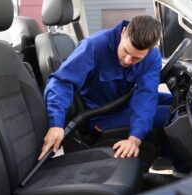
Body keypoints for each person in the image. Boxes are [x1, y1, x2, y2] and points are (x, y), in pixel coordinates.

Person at [38, 15, 170, 161]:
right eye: (126, 51)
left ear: (150, 50)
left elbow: (146, 96)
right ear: (123, 32)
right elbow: (61, 82)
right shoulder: (94, 46)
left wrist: (134, 140)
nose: (127, 60)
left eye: (136, 59)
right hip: (99, 115)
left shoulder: (152, 57)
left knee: (174, 102)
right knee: (171, 114)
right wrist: (56, 124)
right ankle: (182, 170)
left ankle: (168, 160)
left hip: (124, 102)